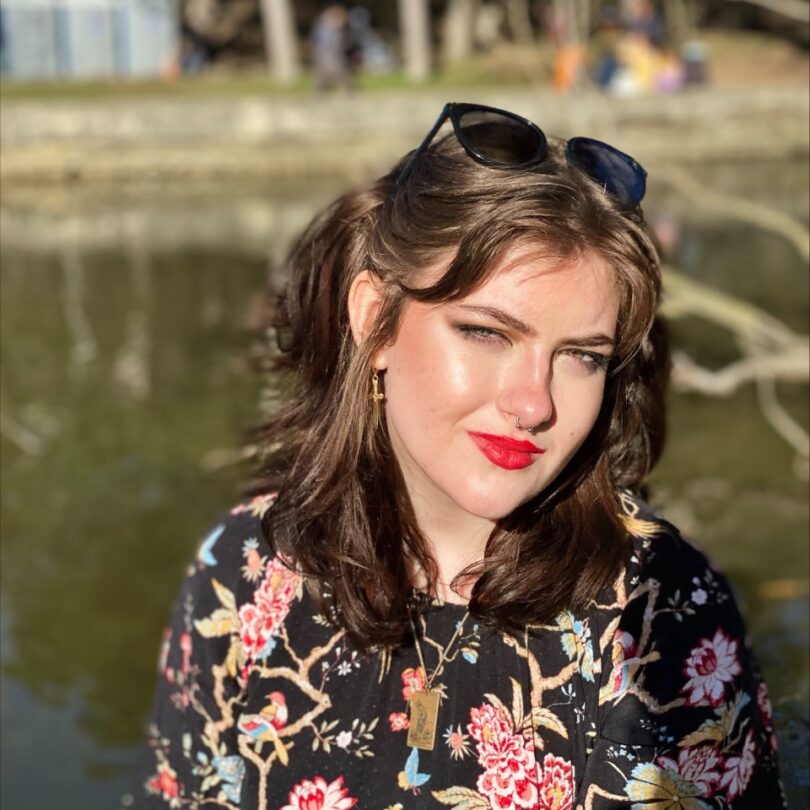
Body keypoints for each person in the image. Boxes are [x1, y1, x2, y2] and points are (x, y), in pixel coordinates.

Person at [131, 103, 785, 809]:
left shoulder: (658, 611)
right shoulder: (243, 573)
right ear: (373, 320)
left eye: (581, 357)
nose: (533, 403)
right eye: (485, 333)